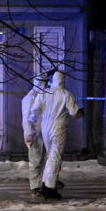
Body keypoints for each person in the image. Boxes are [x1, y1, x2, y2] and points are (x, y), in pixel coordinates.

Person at [28, 70, 84, 199]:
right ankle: (50, 188)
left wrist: (32, 121)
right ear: (63, 80)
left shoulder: (44, 92)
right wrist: (81, 112)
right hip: (58, 127)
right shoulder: (66, 94)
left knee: (50, 156)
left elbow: (35, 110)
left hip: (45, 126)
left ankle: (44, 184)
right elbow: (74, 112)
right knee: (55, 157)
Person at [22, 73, 49, 196]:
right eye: (45, 83)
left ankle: (42, 184)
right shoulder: (30, 97)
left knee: (42, 160)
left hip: (41, 132)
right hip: (34, 133)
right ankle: (35, 187)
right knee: (35, 160)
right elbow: (27, 118)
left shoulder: (41, 96)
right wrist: (29, 134)